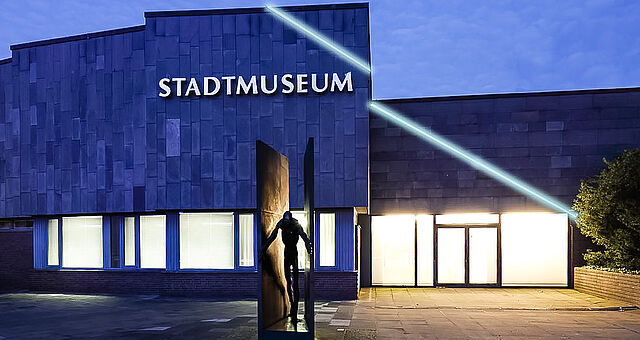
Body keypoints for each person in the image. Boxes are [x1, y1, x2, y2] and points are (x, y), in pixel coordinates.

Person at [261, 211, 313, 321]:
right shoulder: (281, 223)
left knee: (295, 283)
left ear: (290, 220)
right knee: (287, 282)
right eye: (285, 221)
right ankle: (291, 308)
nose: (286, 223)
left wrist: (309, 247)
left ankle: (295, 310)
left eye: (287, 221)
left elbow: (304, 236)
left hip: (293, 253)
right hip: (286, 252)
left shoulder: (296, 224)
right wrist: (264, 248)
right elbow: (273, 236)